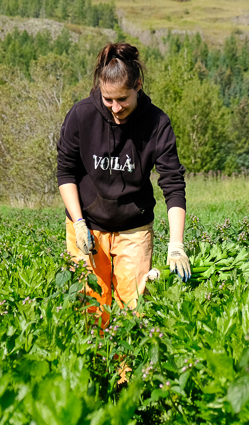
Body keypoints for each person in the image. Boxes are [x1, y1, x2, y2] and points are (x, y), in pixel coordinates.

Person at [56, 42, 190, 327]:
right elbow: (66, 172)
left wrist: (176, 244)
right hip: (87, 226)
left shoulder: (157, 123)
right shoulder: (81, 116)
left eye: (122, 99)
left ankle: (127, 372)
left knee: (134, 313)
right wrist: (78, 222)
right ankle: (94, 369)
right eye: (108, 100)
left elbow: (173, 184)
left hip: (134, 229)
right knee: (90, 311)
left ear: (138, 86)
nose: (116, 108)